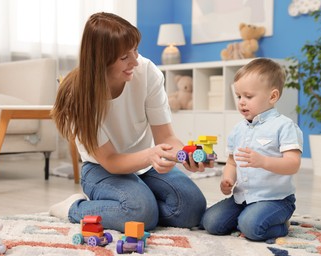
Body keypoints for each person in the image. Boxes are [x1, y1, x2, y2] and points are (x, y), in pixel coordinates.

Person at [49, 12, 212, 232]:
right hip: (101, 169)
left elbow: (166, 137)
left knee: (192, 208)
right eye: (124, 57)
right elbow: (111, 160)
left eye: (135, 50)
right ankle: (74, 208)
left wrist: (186, 154)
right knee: (140, 212)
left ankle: (140, 206)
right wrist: (151, 155)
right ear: (101, 60)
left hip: (145, 165)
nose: (135, 61)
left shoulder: (147, 73)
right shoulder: (77, 96)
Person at [201, 58, 303, 241]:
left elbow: (293, 164)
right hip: (242, 198)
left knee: (251, 227)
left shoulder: (284, 126)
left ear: (272, 96)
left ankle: (280, 225)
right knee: (211, 222)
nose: (241, 102)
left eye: (248, 96)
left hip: (275, 199)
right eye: (239, 96)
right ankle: (248, 218)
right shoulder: (238, 129)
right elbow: (232, 161)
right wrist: (228, 179)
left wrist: (263, 161)